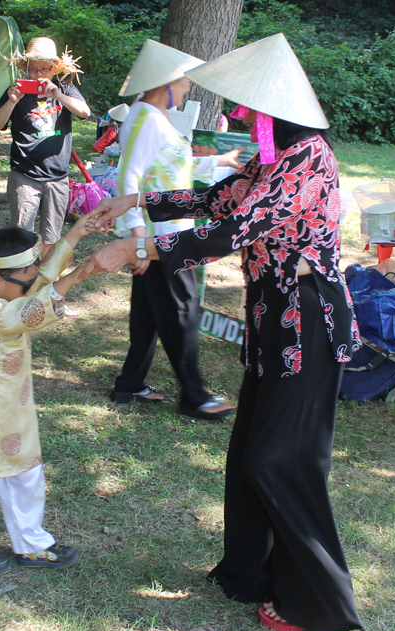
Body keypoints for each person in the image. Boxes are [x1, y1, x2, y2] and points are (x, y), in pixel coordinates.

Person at [80, 34, 364, 631]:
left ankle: (316, 603)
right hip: (271, 323)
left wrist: (137, 247)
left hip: (309, 324)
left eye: (249, 110)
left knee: (278, 459)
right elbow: (214, 197)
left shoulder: (310, 158)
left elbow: (233, 229)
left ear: (276, 110)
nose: (240, 117)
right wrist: (136, 199)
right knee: (246, 457)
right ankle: (246, 576)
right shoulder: (273, 157)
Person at [0, 217, 93, 576]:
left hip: (14, 407)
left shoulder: (10, 289)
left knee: (27, 474)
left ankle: (31, 544)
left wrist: (77, 232)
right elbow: (22, 315)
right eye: (27, 276)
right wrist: (73, 279)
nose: (35, 281)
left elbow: (41, 280)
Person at [109, 39, 240, 418]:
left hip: (166, 232)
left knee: (149, 311)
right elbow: (128, 177)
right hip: (158, 237)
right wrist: (137, 241)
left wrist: (221, 161)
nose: (186, 89)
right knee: (183, 310)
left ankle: (129, 384)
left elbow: (175, 170)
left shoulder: (155, 118)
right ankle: (195, 396)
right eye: (184, 83)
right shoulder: (145, 118)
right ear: (166, 83)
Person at [0, 37, 90, 318]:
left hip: (57, 178)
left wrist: (57, 95)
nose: (38, 75)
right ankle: (15, 297)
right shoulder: (17, 91)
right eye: (33, 69)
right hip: (25, 175)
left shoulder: (66, 89)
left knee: (52, 241)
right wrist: (12, 101)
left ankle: (48, 296)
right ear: (26, 67)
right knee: (20, 238)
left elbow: (84, 112)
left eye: (44, 69)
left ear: (54, 69)